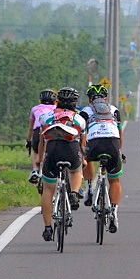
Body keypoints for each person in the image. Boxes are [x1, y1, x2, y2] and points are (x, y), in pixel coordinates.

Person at [37, 87, 87, 242]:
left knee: (48, 190)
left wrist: (40, 159)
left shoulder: (46, 117)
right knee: (76, 171)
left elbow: (41, 141)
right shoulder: (79, 119)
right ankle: (73, 193)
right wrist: (83, 159)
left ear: (57, 101)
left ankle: (47, 228)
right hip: (71, 150)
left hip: (52, 151)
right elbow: (82, 145)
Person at [79, 84, 124, 233]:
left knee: (87, 159)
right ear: (105, 98)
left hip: (94, 143)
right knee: (115, 180)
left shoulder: (84, 111)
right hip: (113, 143)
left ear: (90, 99)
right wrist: (119, 150)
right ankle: (114, 211)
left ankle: (89, 189)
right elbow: (119, 132)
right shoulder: (114, 109)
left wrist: (82, 152)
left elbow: (82, 135)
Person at [26, 89, 57, 193]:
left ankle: (35, 169)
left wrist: (28, 140)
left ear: (40, 100)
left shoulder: (35, 109)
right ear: (55, 100)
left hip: (37, 131)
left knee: (35, 150)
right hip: (53, 131)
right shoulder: (57, 108)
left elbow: (31, 127)